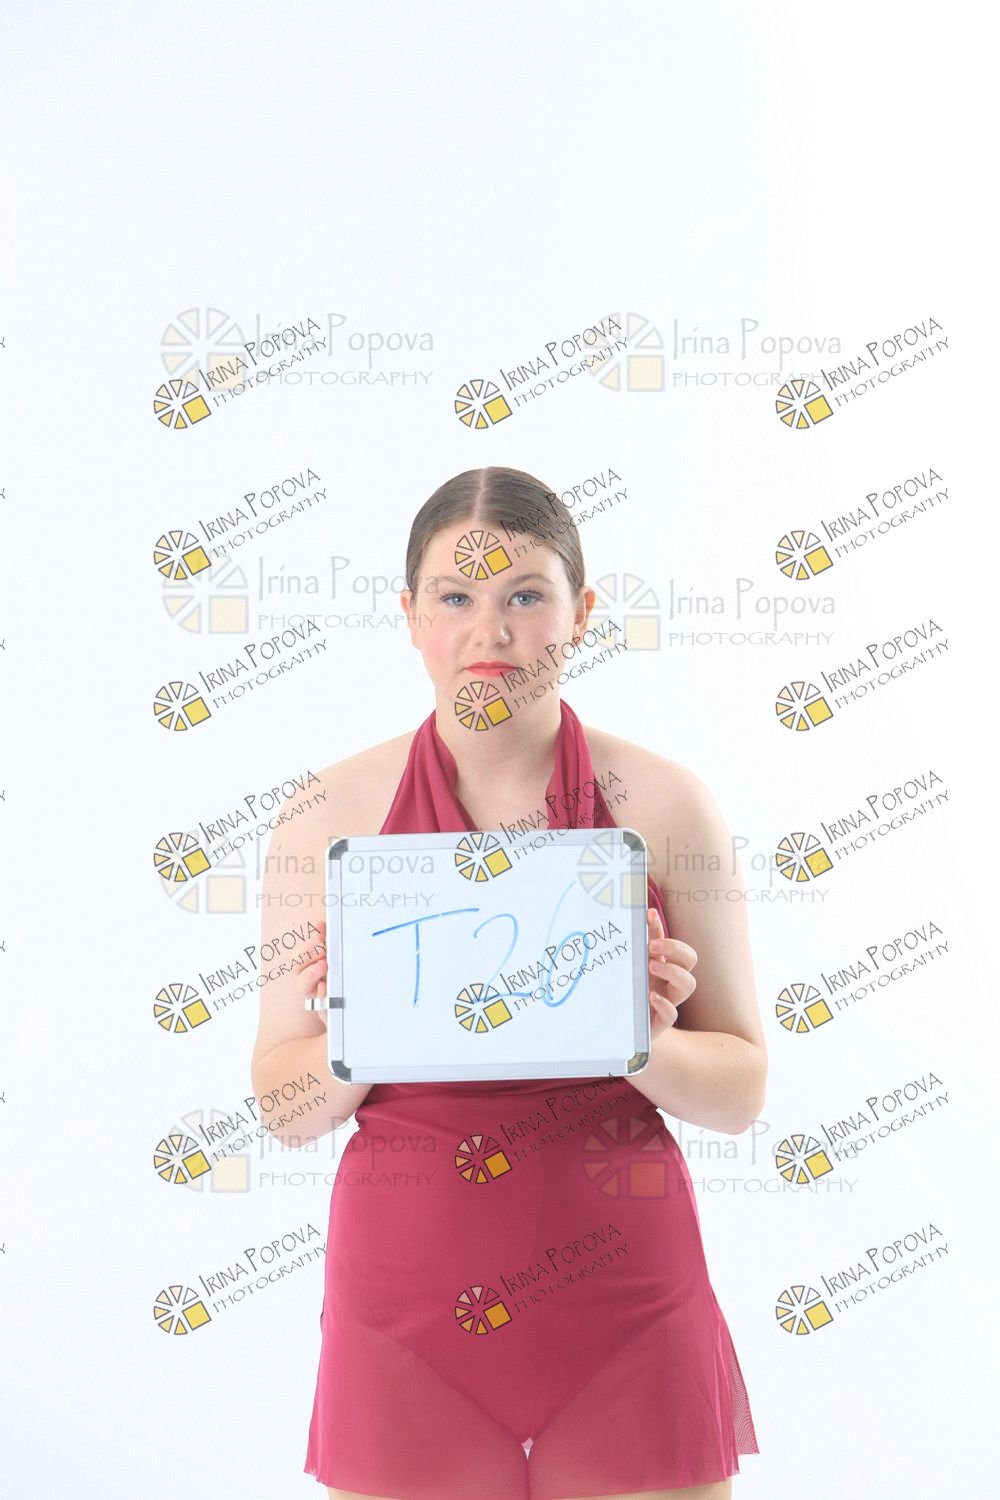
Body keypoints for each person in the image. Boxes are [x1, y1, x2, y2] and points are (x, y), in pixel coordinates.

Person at [252, 465, 766, 1500]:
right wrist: (366, 1022)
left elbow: (740, 1089)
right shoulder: (327, 814)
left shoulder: (664, 803)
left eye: (525, 595)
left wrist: (633, 1033)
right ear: (409, 616)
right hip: (404, 1314)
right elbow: (281, 1104)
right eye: (456, 596)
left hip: (626, 1299)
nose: (489, 630)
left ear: (581, 612)